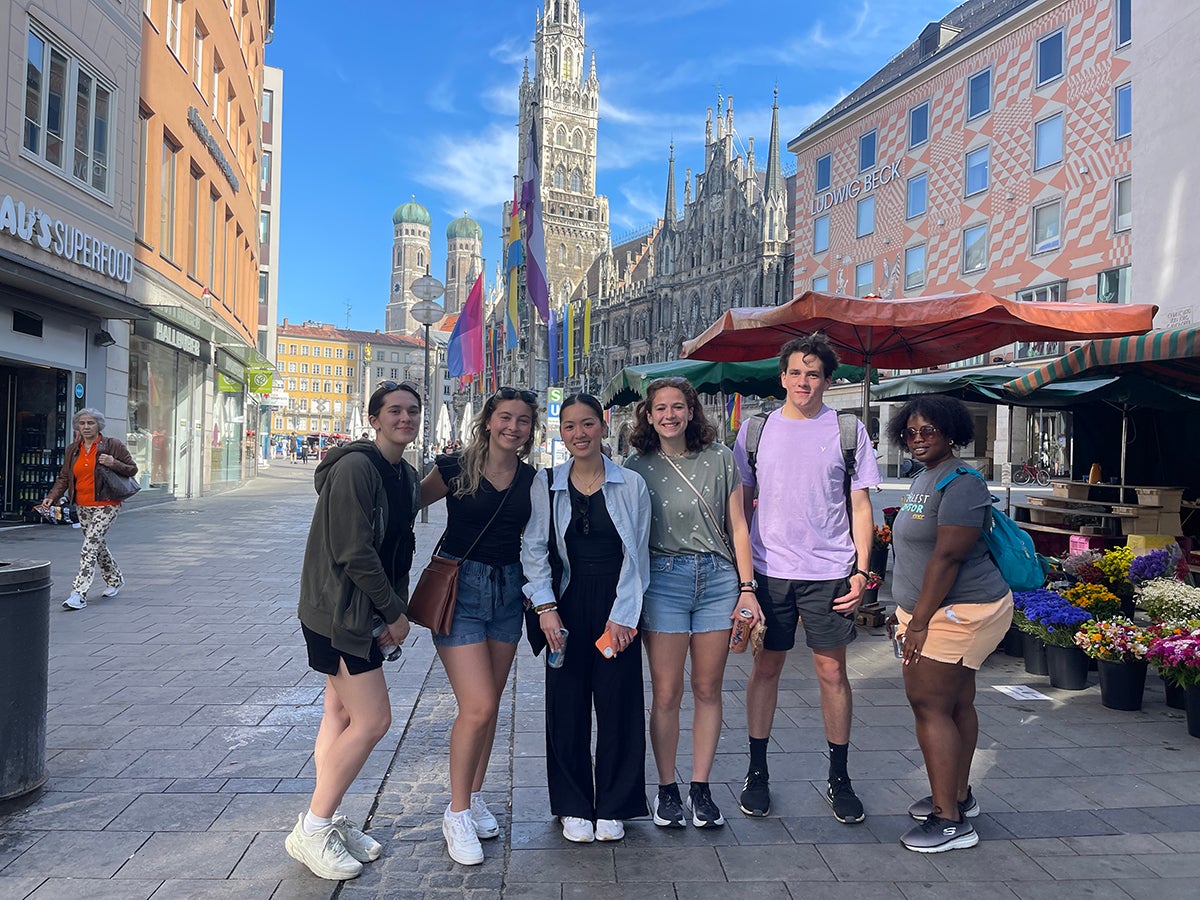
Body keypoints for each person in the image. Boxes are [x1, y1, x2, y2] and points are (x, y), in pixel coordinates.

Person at [732, 334, 881, 823]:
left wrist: (862, 571)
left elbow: (861, 506)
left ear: (827, 380)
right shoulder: (755, 431)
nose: (803, 381)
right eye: (795, 372)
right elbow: (739, 509)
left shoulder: (847, 430)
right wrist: (744, 582)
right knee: (766, 669)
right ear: (782, 377)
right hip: (770, 571)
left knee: (833, 673)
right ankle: (757, 773)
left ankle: (839, 777)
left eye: (813, 373)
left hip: (830, 571)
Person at [287, 381, 422, 881]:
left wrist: (394, 605)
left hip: (362, 612)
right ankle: (314, 827)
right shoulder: (354, 468)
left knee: (340, 713)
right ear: (374, 419)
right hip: (337, 614)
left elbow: (399, 551)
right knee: (373, 720)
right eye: (394, 411)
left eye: (412, 410)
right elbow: (352, 551)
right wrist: (394, 614)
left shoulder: (405, 474)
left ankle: (325, 815)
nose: (404, 418)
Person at [624, 377, 761, 829]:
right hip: (663, 581)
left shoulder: (721, 457)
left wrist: (747, 587)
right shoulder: (635, 465)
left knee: (707, 688)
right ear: (648, 414)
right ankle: (667, 788)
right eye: (660, 408)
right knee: (666, 692)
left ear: (691, 411)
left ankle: (700, 788)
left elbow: (738, 525)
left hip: (719, 580)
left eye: (677, 407)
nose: (669, 415)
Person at [885, 396, 1012, 853]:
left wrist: (917, 622)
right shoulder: (925, 476)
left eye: (929, 431)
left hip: (957, 611)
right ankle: (957, 796)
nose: (917, 439)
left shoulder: (962, 482)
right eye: (910, 432)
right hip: (934, 609)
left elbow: (948, 555)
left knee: (929, 706)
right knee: (957, 702)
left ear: (952, 433)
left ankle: (950, 822)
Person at [521, 393, 650, 844]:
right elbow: (534, 548)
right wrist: (545, 606)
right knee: (566, 704)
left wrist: (624, 616)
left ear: (603, 424)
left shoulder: (630, 484)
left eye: (588, 424)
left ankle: (615, 804)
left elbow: (639, 557)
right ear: (562, 431)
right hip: (566, 604)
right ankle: (573, 804)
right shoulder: (548, 482)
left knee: (619, 705)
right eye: (571, 426)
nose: (579, 433)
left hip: (617, 605)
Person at [419, 387, 539, 866]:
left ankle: (475, 792)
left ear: (532, 429)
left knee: (489, 708)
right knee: (479, 704)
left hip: (509, 592)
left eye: (523, 420)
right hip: (459, 590)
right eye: (505, 417)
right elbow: (399, 508)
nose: (513, 427)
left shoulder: (534, 479)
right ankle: (457, 811)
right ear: (488, 421)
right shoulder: (453, 469)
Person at [39, 408, 138, 610]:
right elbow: (65, 477)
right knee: (97, 545)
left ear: (98, 425)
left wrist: (113, 462)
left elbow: (132, 469)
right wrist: (51, 497)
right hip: (83, 505)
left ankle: (78, 593)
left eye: (90, 423)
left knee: (89, 546)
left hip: (107, 503)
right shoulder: (73, 449)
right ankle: (115, 579)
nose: (86, 427)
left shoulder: (112, 445)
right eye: (82, 423)